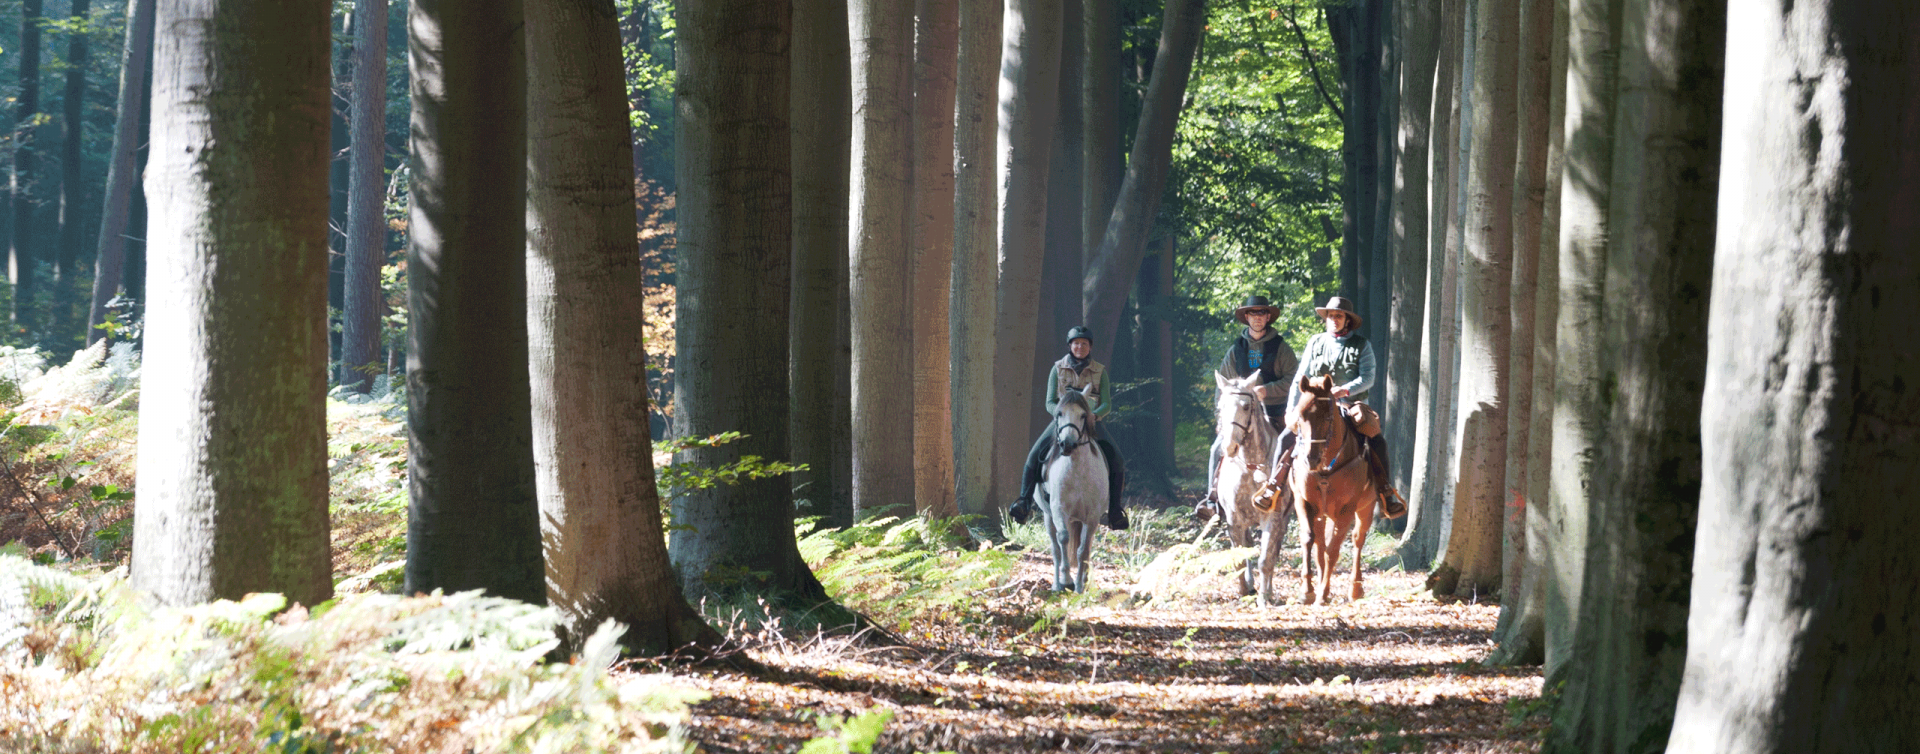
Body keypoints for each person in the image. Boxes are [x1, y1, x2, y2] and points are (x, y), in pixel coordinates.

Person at [1272, 296, 1406, 518]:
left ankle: (1385, 492)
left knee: (1375, 438)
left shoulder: (1362, 345)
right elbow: (1299, 378)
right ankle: (1273, 486)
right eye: (1330, 316)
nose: (1333, 319)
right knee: (1285, 437)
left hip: (1349, 403)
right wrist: (1290, 409)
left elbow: (1368, 377)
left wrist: (1344, 390)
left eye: (1339, 316)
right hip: (1315, 403)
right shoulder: (1315, 342)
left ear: (1347, 320)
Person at [1010, 326, 1129, 530]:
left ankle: (1115, 510)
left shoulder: (1100, 371)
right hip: (1063, 422)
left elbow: (1107, 403)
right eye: (1076, 343)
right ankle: (1024, 502)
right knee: (1033, 456)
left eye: (1084, 343)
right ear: (1070, 346)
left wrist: (1095, 415)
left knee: (1116, 458)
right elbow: (1049, 401)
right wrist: (1060, 415)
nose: (1080, 347)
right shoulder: (1057, 369)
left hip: (1090, 422)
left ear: (1090, 346)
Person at [1194, 295, 1300, 521]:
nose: (1258, 317)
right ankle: (1212, 498)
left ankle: (1298, 499)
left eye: (1262, 313)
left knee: (1294, 448)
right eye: (1253, 313)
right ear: (1247, 317)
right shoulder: (1236, 349)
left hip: (1275, 412)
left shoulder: (1281, 348)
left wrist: (1268, 390)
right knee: (1216, 449)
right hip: (1241, 416)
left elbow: (1294, 379)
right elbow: (1222, 386)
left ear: (1268, 316)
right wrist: (1222, 420)